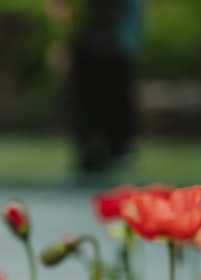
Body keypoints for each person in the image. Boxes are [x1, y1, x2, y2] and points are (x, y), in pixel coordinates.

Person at [61, 0, 143, 174]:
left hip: (114, 47)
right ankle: (91, 147)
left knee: (115, 100)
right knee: (86, 103)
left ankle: (117, 148)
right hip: (88, 46)